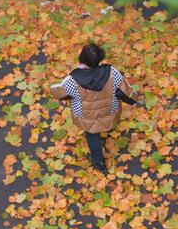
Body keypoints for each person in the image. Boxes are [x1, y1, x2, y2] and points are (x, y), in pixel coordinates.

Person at [50, 43, 139, 173]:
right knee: (104, 123)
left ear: (81, 59)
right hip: (109, 111)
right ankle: (106, 129)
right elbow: (126, 93)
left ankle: (99, 163)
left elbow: (58, 92)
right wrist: (133, 100)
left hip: (86, 118)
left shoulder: (72, 80)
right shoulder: (112, 73)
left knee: (92, 137)